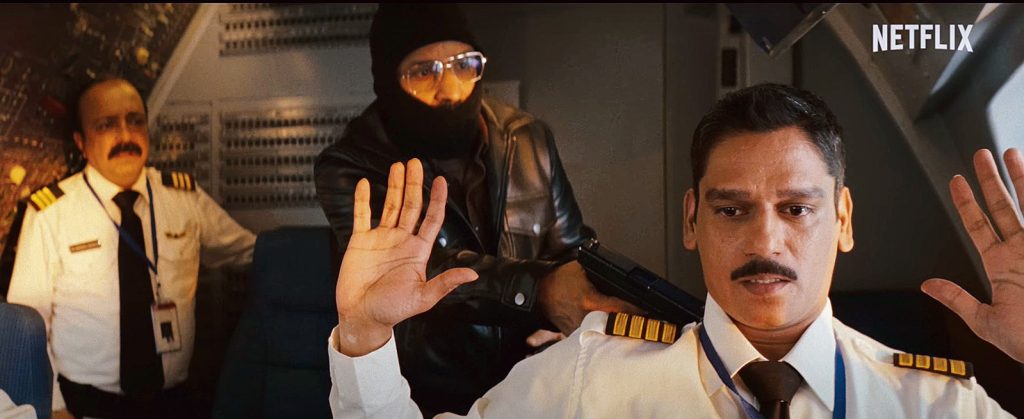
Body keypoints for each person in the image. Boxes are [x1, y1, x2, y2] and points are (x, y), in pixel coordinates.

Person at [324, 84, 1017, 418]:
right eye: (731, 209)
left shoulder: (936, 404)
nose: (764, 241)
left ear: (843, 220)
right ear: (691, 219)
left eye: (797, 209)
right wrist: (364, 337)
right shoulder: (589, 379)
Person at [314, 4, 634, 414]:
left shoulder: (527, 138)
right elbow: (415, 272)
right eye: (424, 72)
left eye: (464, 65)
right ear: (388, 80)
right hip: (420, 394)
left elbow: (572, 249)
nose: (450, 90)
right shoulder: (352, 164)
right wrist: (542, 291)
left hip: (528, 388)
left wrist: (570, 319)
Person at [7, 77, 256, 419]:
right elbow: (27, 328)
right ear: (81, 142)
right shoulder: (51, 214)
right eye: (106, 125)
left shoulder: (183, 198)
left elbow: (247, 252)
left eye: (135, 121)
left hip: (175, 404)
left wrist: (319, 252)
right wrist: (55, 407)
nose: (125, 135)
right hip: (86, 405)